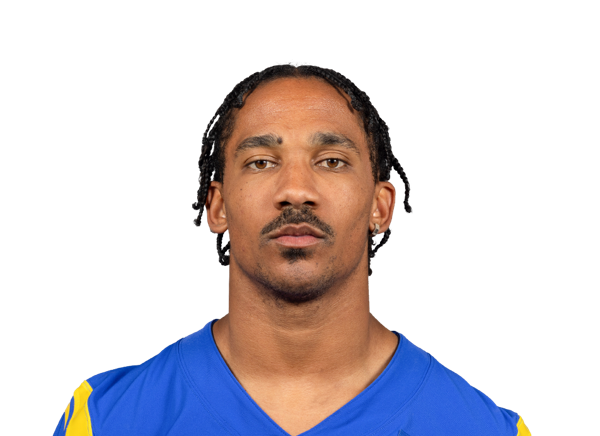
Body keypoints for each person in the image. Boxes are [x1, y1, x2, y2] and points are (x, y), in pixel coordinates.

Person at [53, 62, 531, 436]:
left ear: (381, 207)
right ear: (217, 206)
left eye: (332, 161)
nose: (296, 190)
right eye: (262, 161)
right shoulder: (104, 419)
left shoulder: (487, 429)